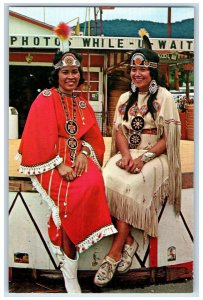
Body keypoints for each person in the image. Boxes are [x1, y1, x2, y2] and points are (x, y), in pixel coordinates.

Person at [17, 50, 117, 293]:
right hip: (48, 157)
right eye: (65, 72)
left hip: (79, 155)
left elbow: (94, 137)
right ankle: (69, 275)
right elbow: (36, 138)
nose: (70, 76)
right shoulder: (46, 97)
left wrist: (84, 153)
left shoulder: (82, 102)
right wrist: (57, 163)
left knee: (93, 183)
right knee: (70, 199)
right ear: (56, 74)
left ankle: (66, 257)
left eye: (74, 72)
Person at [94, 29, 182, 287]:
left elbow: (169, 140)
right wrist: (124, 155)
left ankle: (115, 251)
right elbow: (119, 131)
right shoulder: (124, 98)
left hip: (156, 155)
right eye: (133, 69)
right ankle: (130, 240)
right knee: (104, 179)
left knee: (131, 185)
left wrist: (143, 158)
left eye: (142, 70)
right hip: (128, 154)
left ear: (153, 72)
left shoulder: (164, 97)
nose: (137, 74)